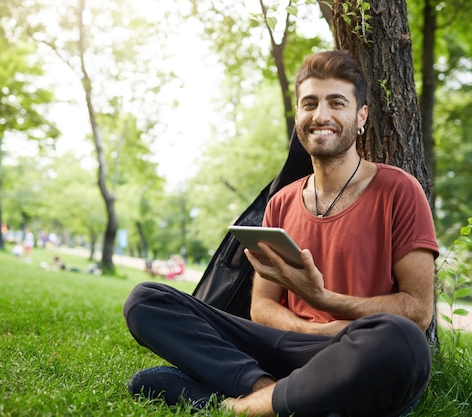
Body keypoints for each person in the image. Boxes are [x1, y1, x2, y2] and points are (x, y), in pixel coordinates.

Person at [123, 50, 439, 417]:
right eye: (310, 104)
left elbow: (417, 311)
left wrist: (322, 300)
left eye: (337, 102)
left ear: (361, 116)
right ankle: (271, 394)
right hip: (288, 345)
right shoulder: (283, 201)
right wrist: (312, 331)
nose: (321, 115)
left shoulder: (399, 190)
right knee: (146, 300)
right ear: (299, 117)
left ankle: (233, 405)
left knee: (402, 341)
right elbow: (262, 306)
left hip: (357, 349)